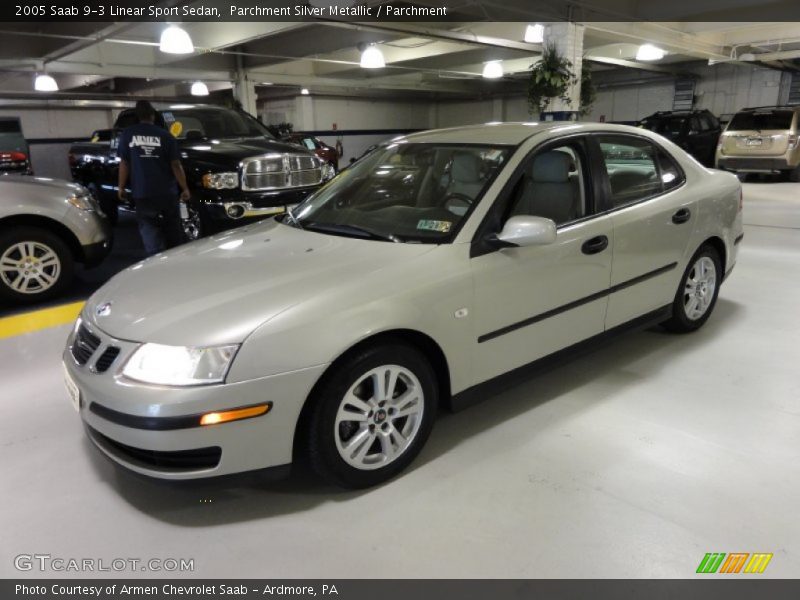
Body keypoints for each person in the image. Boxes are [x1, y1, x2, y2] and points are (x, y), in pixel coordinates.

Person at [118, 100, 191, 255]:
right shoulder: (166, 136)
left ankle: (155, 258)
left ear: (138, 116)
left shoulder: (128, 134)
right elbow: (176, 165)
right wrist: (184, 188)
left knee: (149, 228)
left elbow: (124, 164)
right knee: (172, 229)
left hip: (143, 193)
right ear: (153, 116)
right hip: (167, 192)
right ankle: (175, 259)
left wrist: (121, 187)